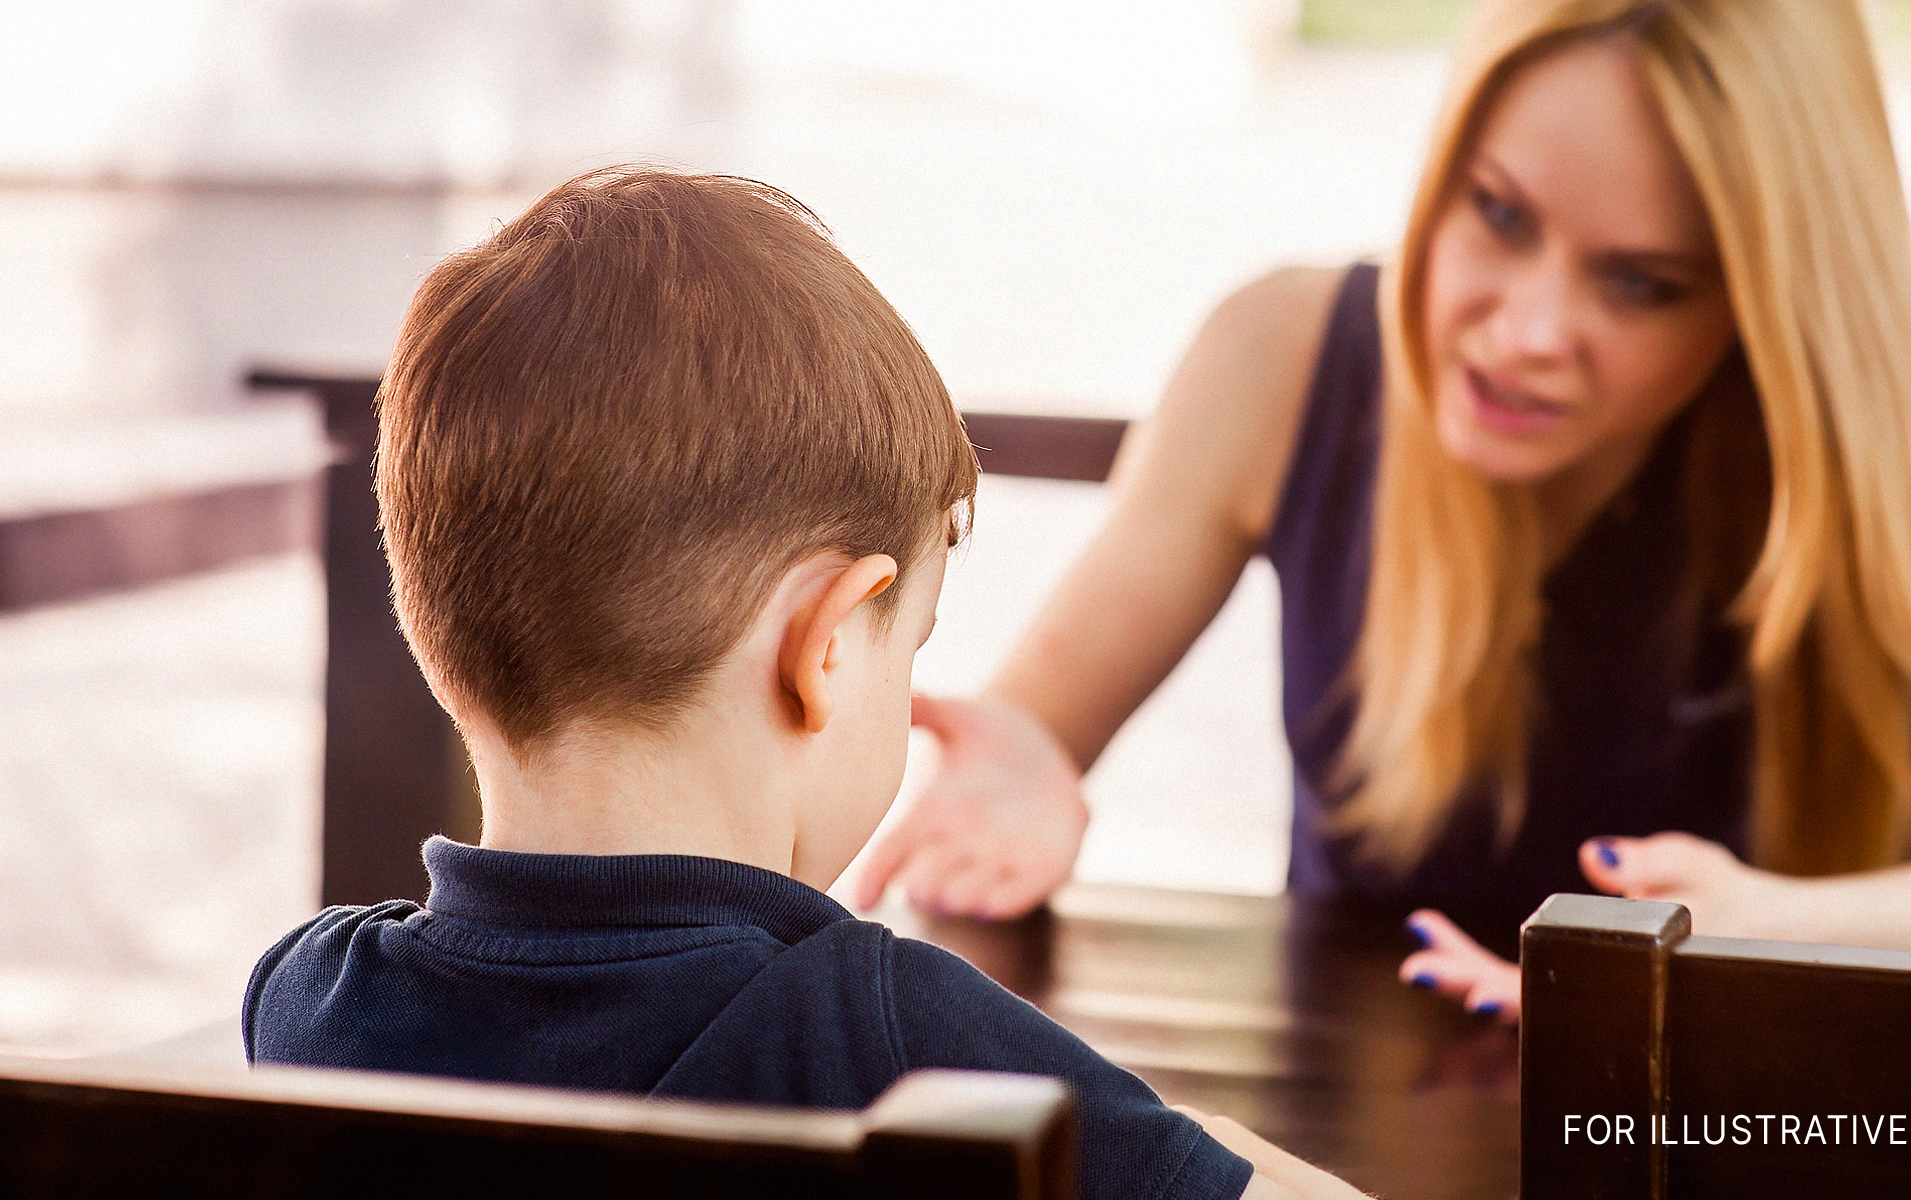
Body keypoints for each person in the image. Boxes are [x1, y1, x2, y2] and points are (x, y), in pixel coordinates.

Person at [854, 0, 1911, 1019]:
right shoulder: (1283, 355)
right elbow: (1033, 735)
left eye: (1641, 284)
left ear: (1765, 304)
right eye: (1497, 214)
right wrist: (1023, 764)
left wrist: (1768, 928)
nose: (1527, 332)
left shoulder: (1860, 441)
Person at [241, 168, 1362, 1200]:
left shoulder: (305, 1003)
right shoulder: (895, 1041)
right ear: (821, 649)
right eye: (909, 642)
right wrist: (1177, 1140)